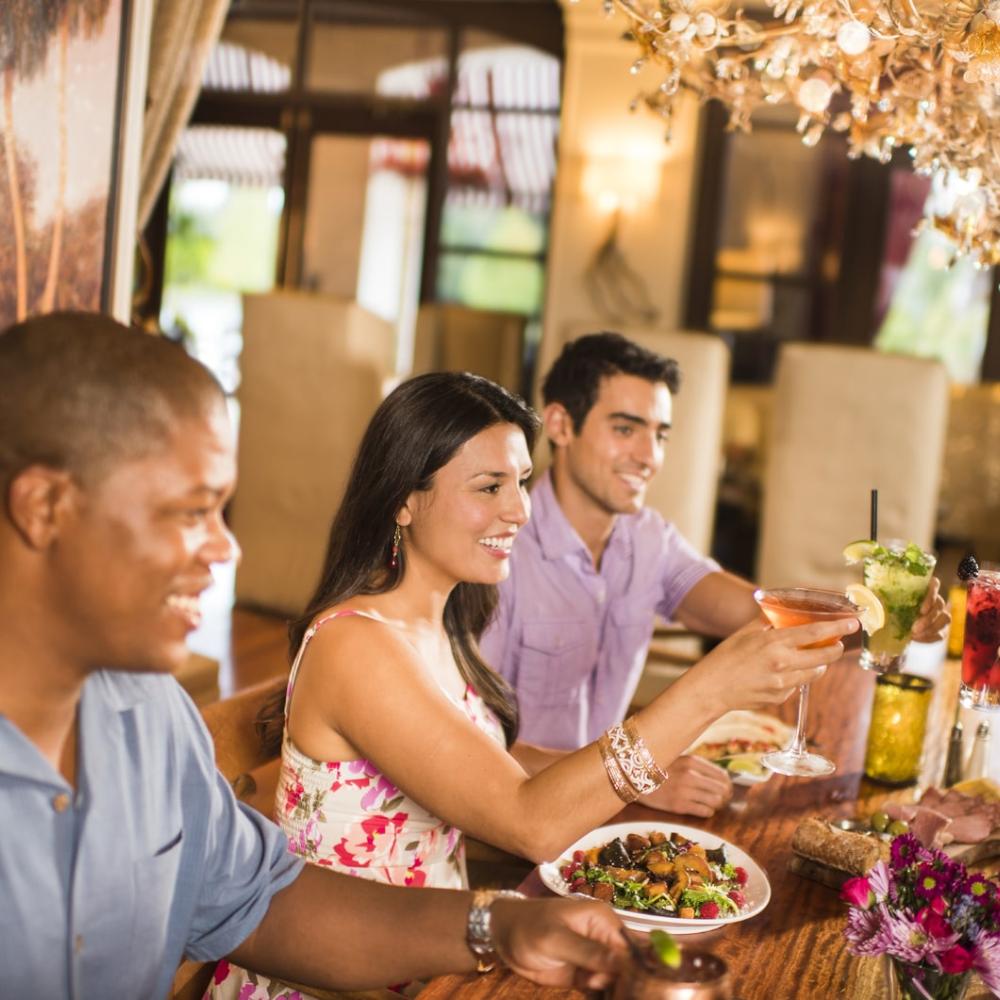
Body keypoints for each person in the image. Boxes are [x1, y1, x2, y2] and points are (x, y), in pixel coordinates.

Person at [0, 312, 633, 1000]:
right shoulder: (355, 641)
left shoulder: (152, 716)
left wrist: (497, 924)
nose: (227, 549)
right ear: (46, 507)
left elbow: (260, 901)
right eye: (191, 512)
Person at [213, 367, 859, 998]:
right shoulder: (355, 644)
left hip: (440, 964)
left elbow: (490, 777)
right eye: (489, 487)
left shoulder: (443, 625)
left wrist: (861, 622)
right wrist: (708, 691)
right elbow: (529, 823)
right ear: (404, 501)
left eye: (521, 482)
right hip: (342, 980)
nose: (520, 510)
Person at [479, 332, 951, 815]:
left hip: (604, 807)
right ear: (560, 424)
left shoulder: (648, 539)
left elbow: (763, 613)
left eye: (660, 434)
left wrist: (882, 618)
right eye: (626, 429)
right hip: (514, 825)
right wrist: (633, 777)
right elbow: (477, 752)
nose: (649, 457)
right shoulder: (497, 552)